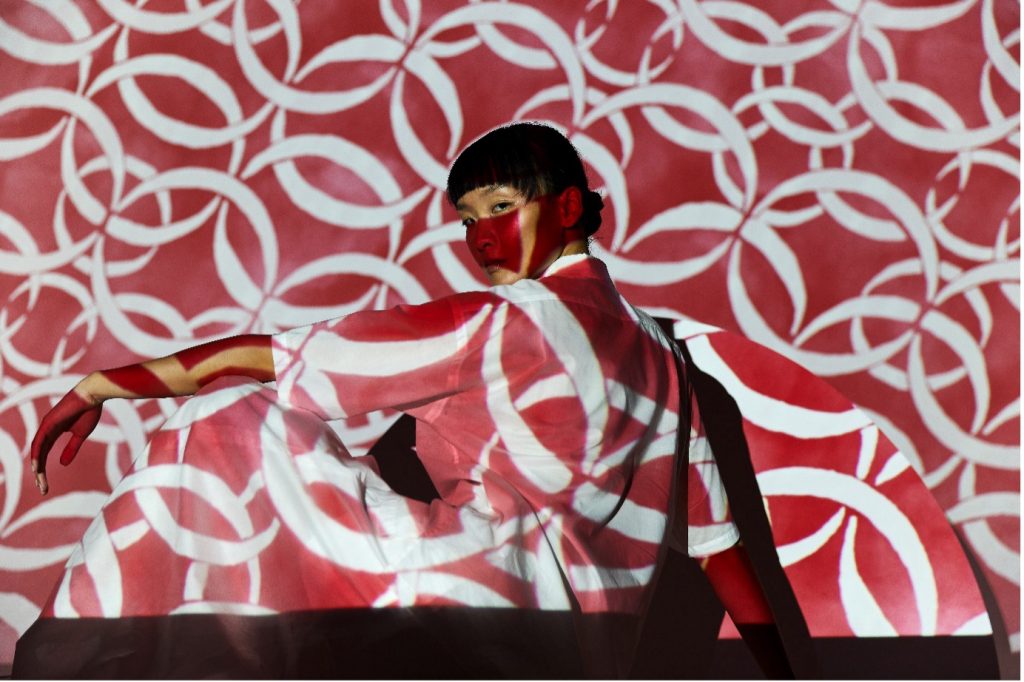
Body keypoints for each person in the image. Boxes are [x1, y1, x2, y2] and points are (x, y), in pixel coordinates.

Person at [23, 122, 794, 678]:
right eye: (467, 221)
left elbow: (278, 357)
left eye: (499, 208)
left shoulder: (502, 323)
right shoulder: (668, 364)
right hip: (583, 654)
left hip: (470, 606)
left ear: (566, 208)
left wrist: (102, 384)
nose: (481, 238)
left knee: (222, 421)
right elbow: (719, 551)